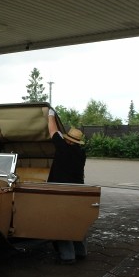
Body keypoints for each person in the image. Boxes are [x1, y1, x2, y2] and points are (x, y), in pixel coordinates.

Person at [47, 109, 88, 264]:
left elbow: (52, 131)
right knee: (77, 221)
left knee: (62, 222)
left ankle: (67, 256)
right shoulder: (81, 153)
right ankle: (81, 251)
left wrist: (50, 115)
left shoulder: (63, 148)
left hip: (61, 191)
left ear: (68, 140)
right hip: (78, 191)